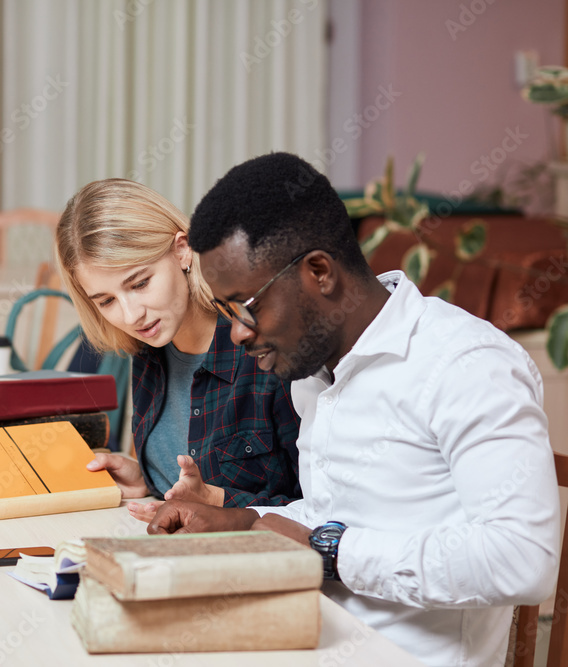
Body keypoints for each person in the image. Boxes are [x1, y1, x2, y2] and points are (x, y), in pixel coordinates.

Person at [146, 152, 559, 666]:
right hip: (309, 640)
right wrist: (241, 519)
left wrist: (330, 554)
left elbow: (523, 560)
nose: (238, 333)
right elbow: (332, 518)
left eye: (246, 307)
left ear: (319, 271)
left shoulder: (466, 365)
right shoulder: (317, 372)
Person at [55, 178, 301, 514]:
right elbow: (189, 476)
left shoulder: (267, 348)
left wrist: (216, 502)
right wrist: (146, 478)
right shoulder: (151, 345)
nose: (131, 315)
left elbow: (328, 513)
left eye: (140, 283)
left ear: (182, 250)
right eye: (106, 300)